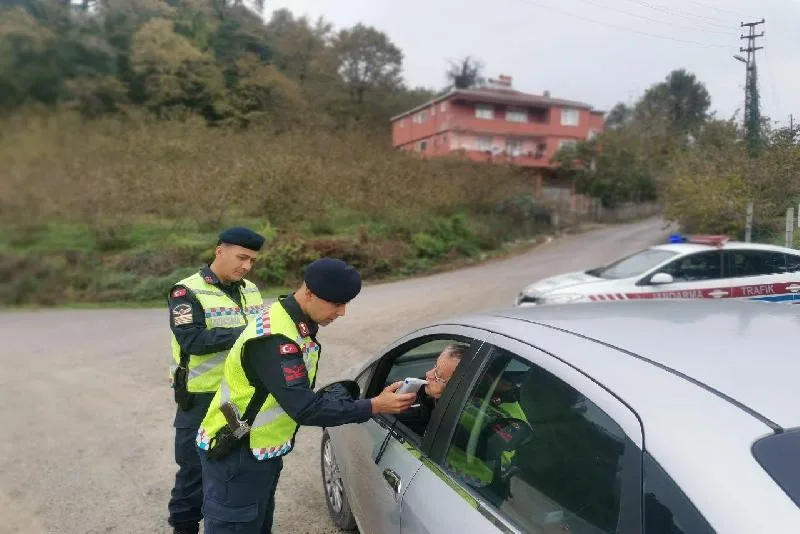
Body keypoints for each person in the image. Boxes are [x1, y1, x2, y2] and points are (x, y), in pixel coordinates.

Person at [196, 258, 416, 534]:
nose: (343, 312)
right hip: (237, 453)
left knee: (256, 523)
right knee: (237, 526)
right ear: (309, 293)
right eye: (336, 304)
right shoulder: (275, 339)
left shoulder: (289, 319)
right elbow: (306, 409)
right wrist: (374, 405)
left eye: (346, 303)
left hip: (258, 448)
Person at [167, 227, 266, 534]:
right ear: (219, 251)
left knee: (231, 467)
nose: (246, 266)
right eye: (241, 257)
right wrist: (246, 333)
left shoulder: (250, 289)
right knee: (193, 473)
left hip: (235, 398)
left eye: (251, 260)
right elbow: (192, 339)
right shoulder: (186, 291)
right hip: (200, 398)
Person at [399, 344, 466, 436]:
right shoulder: (425, 392)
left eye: (438, 374)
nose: (428, 373)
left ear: (457, 386)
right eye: (435, 366)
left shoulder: (453, 424)